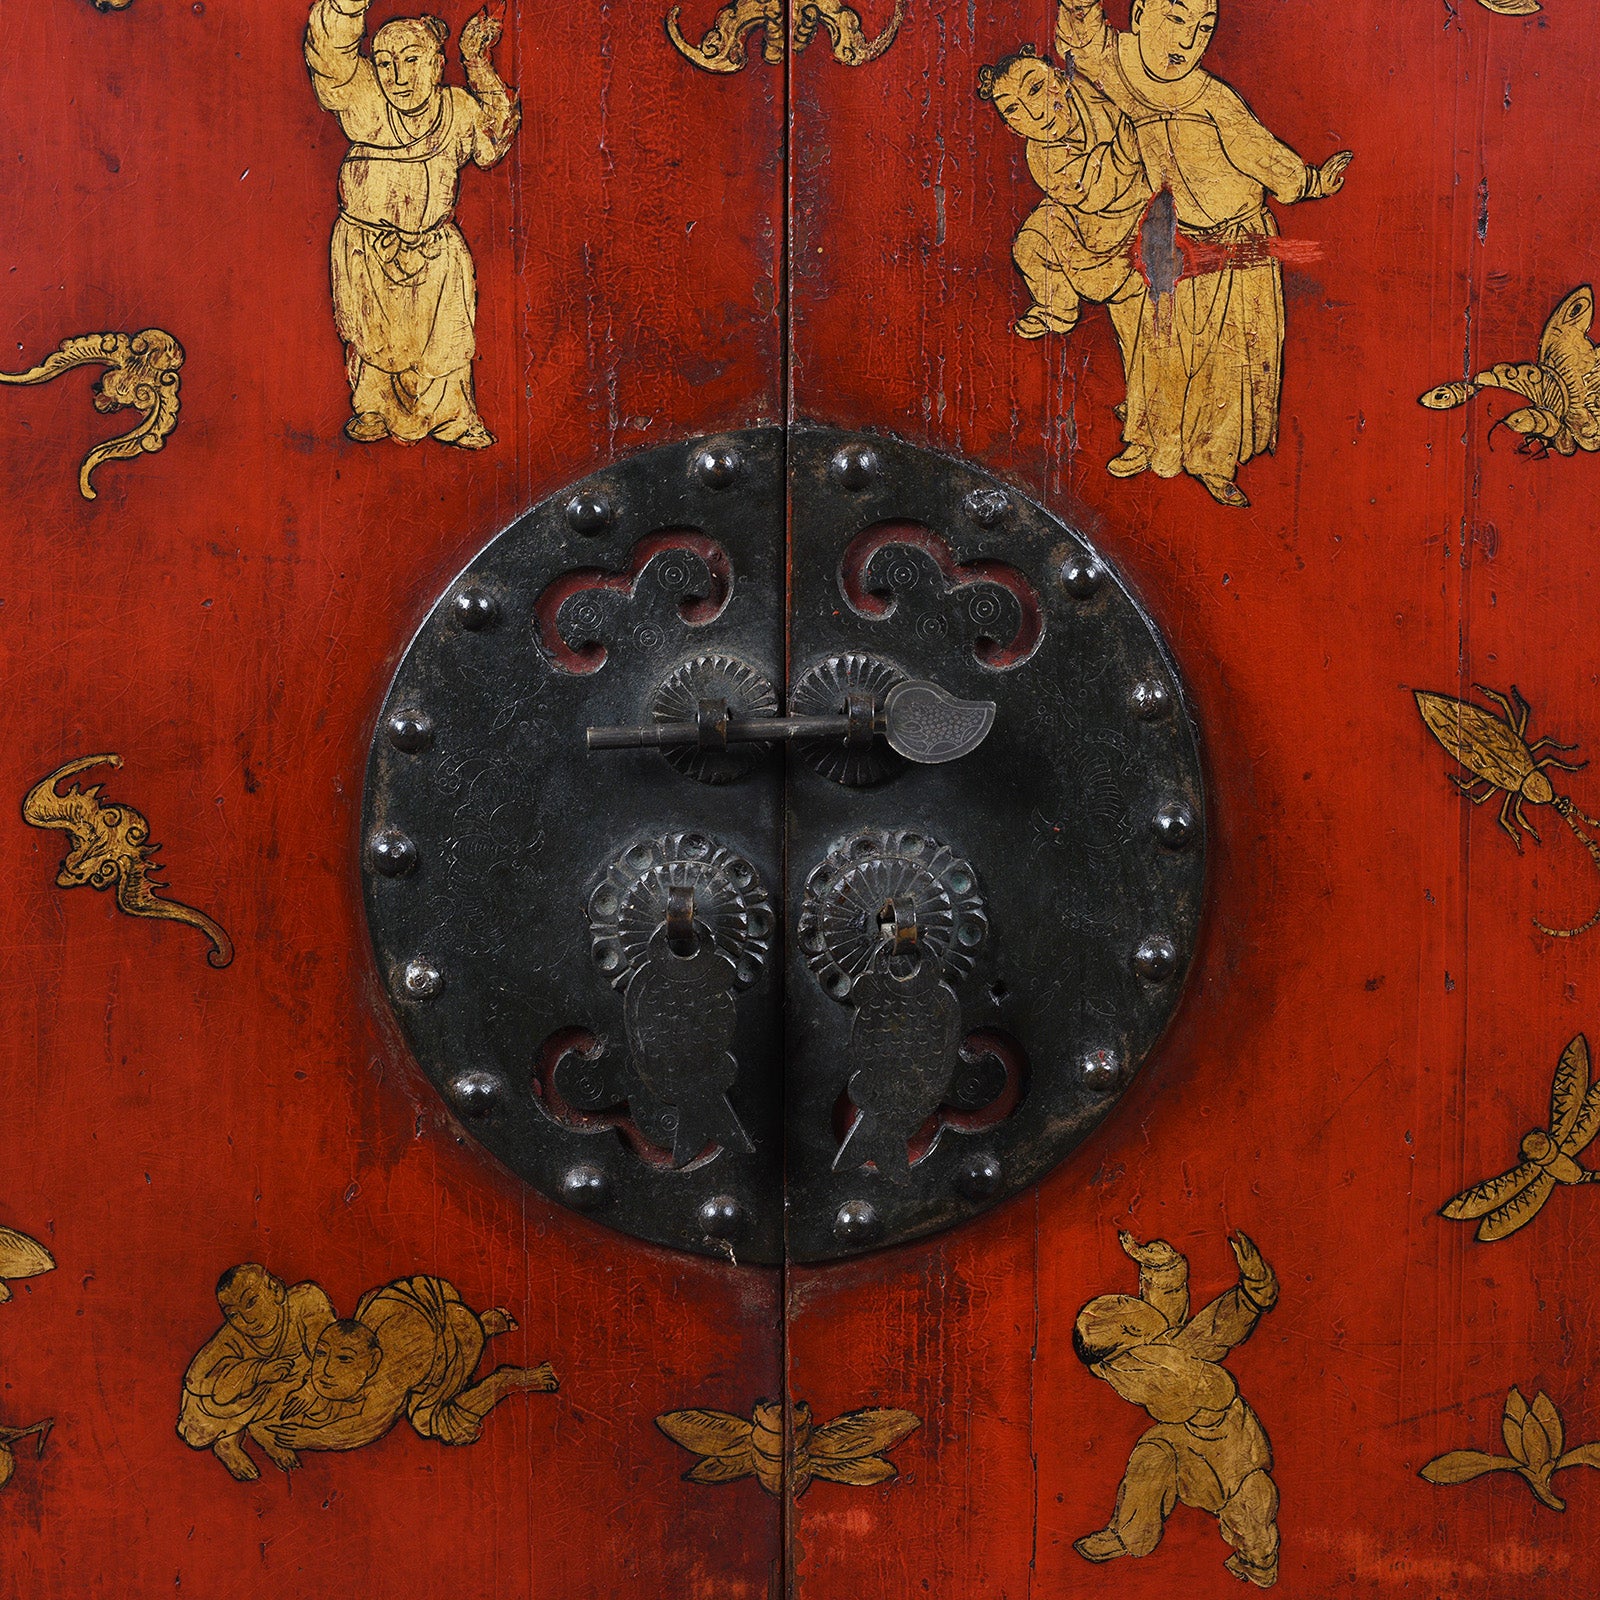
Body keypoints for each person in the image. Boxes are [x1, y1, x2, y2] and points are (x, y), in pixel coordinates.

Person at [1055, 0, 1352, 506]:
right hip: (1175, 235)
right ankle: (1149, 442)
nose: (1188, 41)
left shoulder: (1214, 98)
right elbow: (1082, 39)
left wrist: (1311, 183)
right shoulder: (1122, 70)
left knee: (1230, 357)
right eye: (1176, 19)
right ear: (1140, 14)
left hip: (1240, 242)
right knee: (1160, 344)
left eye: (1204, 28)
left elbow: (1265, 155)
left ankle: (1214, 462)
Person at [305, 1, 520, 448]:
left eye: (410, 61)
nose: (397, 77)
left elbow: (492, 143)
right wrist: (347, 7)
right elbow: (330, 58)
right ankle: (372, 407)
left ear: (437, 65)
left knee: (446, 340)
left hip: (435, 249)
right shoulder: (366, 101)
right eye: (385, 63)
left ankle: (453, 418)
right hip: (368, 245)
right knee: (372, 334)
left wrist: (477, 63)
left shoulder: (456, 109)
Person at [1073, 1231, 1281, 1589]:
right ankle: (1129, 1535)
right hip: (1213, 1437)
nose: (1128, 1304)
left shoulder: (1140, 1345)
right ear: (1128, 1337)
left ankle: (1258, 1563)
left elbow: (1162, 1317)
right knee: (1165, 1465)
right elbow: (1214, 1331)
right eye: (1124, 1315)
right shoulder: (1156, 1370)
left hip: (1224, 1432)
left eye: (1119, 1301)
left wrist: (1162, 1266)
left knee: (1250, 1507)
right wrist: (1254, 1289)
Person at [978, 45, 1149, 379]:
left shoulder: (1090, 91)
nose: (1034, 111)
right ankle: (1057, 307)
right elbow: (1099, 189)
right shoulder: (1043, 160)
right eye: (1013, 109)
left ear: (1059, 77)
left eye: (1035, 87)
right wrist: (1130, 138)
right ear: (1013, 128)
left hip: (1146, 205)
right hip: (1100, 231)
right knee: (1030, 244)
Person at [268, 1275, 558, 1455]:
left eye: (344, 1359)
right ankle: (484, 1325)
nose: (326, 1370)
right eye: (321, 1355)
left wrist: (312, 1437)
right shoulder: (354, 1338)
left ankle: (505, 1380)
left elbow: (363, 1429)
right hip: (420, 1296)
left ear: (374, 1361)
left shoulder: (389, 1379)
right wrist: (308, 1389)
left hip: (451, 1333)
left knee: (432, 1423)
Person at [176, 1264, 335, 1480]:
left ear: (276, 1290)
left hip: (302, 1385)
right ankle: (228, 1442)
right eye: (234, 1314)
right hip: (253, 1398)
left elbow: (327, 1348)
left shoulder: (306, 1301)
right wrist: (257, 1372)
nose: (247, 1320)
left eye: (251, 1302)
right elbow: (195, 1379)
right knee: (206, 1403)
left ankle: (267, 1432)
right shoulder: (231, 1338)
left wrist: (310, 1389)